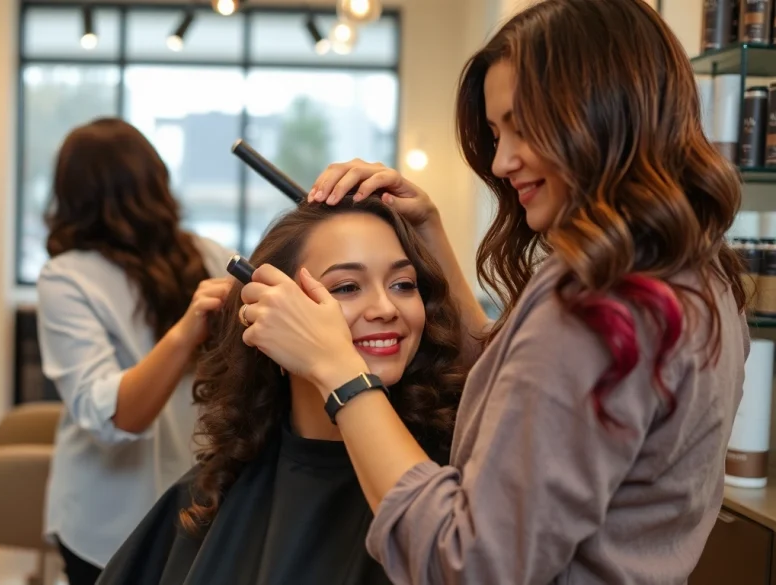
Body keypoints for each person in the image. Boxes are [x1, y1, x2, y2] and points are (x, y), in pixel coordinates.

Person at [237, 1, 750, 583]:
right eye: (495, 132)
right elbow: (534, 406)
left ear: (604, 114)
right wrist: (430, 235)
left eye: (522, 128)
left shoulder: (599, 301)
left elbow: (470, 562)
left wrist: (338, 373)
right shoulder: (699, 273)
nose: (502, 161)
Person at [97, 196, 467, 585]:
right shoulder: (216, 489)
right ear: (267, 314)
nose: (385, 307)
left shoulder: (447, 494)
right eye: (345, 287)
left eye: (403, 284)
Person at [37, 118, 234, 583]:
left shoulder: (208, 256)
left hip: (200, 504)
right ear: (155, 182)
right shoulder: (67, 278)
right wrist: (186, 331)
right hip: (108, 522)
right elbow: (118, 416)